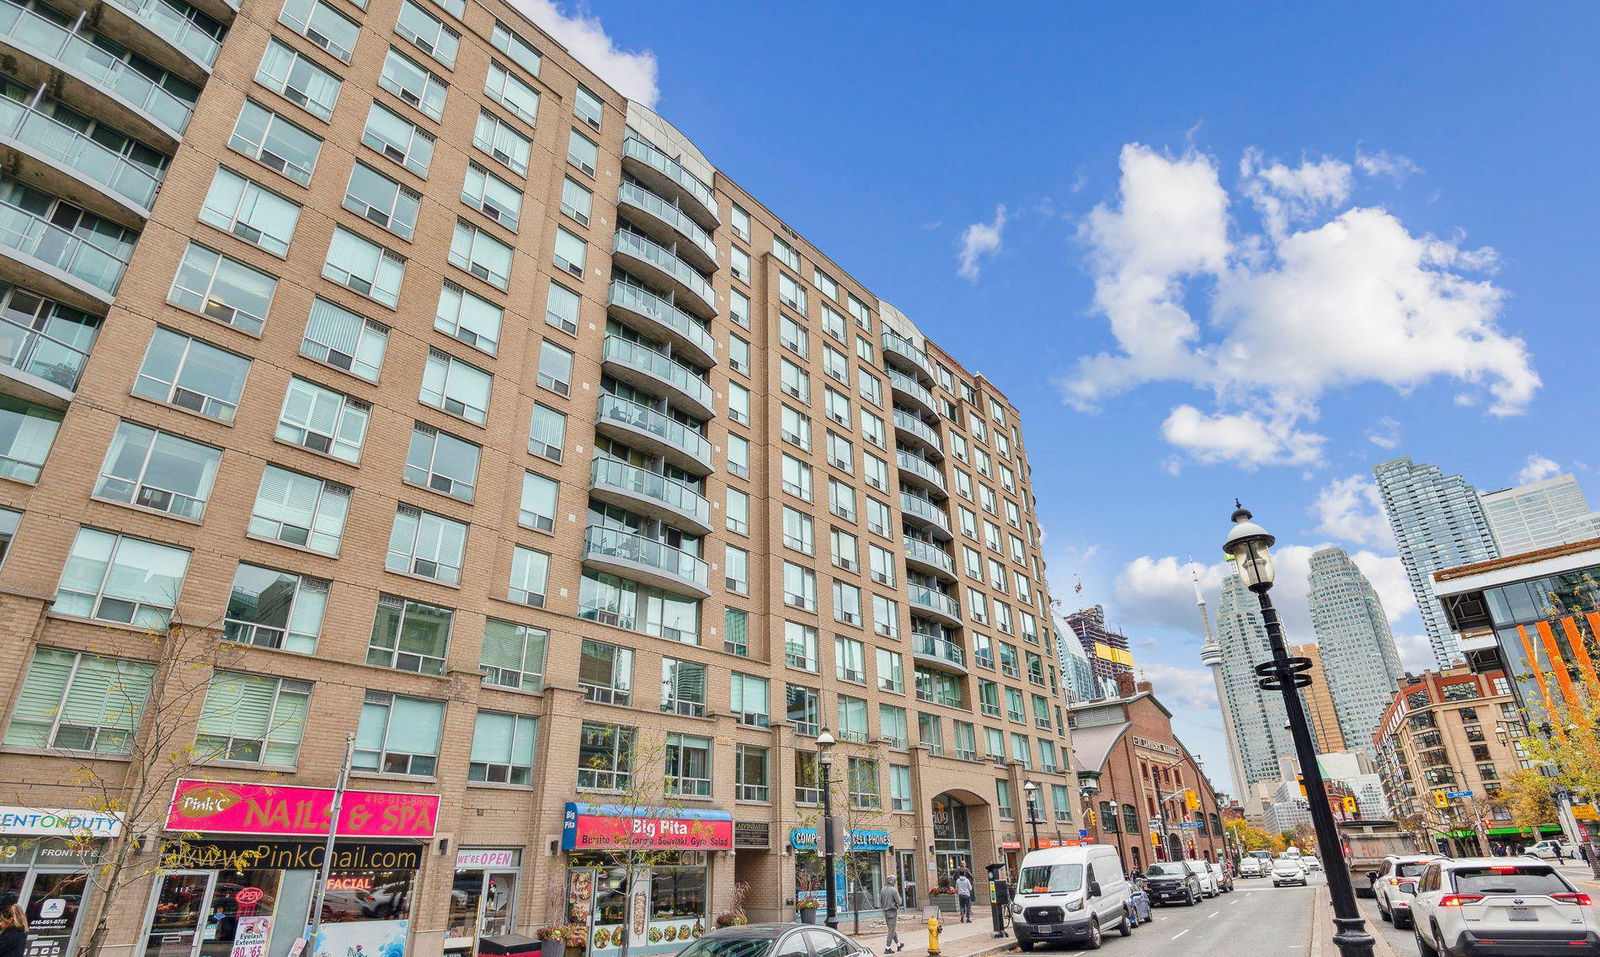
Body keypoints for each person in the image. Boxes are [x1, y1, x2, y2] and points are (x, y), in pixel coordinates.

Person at [879, 875, 903, 953]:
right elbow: (899, 901)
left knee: (891, 929)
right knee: (891, 930)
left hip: (885, 912)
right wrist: (899, 901)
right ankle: (887, 947)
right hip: (892, 912)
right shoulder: (894, 890)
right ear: (893, 881)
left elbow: (880, 901)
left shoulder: (882, 890)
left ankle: (898, 944)